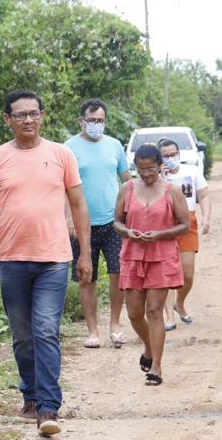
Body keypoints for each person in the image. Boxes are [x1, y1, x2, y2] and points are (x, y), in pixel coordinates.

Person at [0, 90, 92, 438]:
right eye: (20, 115)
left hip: (53, 258)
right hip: (12, 260)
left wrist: (84, 253)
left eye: (34, 114)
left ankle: (48, 407)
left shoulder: (61, 155)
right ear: (7, 119)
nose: (28, 120)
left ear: (43, 116)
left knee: (46, 331)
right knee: (23, 337)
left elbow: (79, 206)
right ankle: (31, 396)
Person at [114, 144, 190, 386]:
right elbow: (117, 221)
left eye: (151, 169)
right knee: (135, 313)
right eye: (141, 169)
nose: (146, 174)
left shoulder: (172, 191)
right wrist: (128, 231)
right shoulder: (126, 189)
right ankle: (148, 346)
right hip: (133, 255)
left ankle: (156, 366)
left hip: (162, 255)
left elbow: (184, 225)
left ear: (160, 166)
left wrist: (159, 234)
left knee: (154, 311)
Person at [64, 99, 131, 349]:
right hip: (82, 225)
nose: (96, 125)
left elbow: (126, 180)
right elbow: (62, 187)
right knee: (86, 276)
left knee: (118, 272)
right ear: (81, 121)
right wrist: (67, 217)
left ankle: (115, 324)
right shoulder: (68, 148)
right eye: (91, 120)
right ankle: (92, 330)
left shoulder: (115, 146)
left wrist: (131, 210)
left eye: (100, 120)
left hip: (113, 222)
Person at [159, 138, 210, 331]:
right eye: (166, 155)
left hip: (187, 223)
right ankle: (169, 317)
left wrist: (206, 217)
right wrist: (161, 178)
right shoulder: (156, 177)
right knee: (167, 274)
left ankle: (179, 302)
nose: (171, 158)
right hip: (164, 226)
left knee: (187, 274)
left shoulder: (192, 171)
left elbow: (203, 195)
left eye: (173, 154)